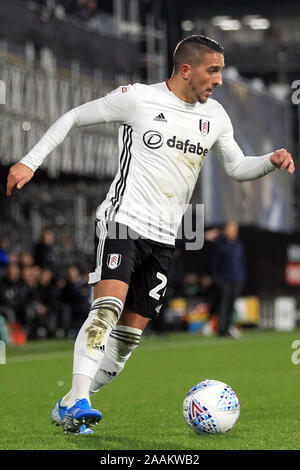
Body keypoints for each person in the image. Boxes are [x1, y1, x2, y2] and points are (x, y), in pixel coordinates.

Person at [6, 35, 295, 434]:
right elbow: (73, 115)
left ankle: (70, 402)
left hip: (163, 239)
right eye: (214, 70)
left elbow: (238, 167)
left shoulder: (216, 116)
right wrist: (29, 161)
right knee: (106, 310)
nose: (220, 80)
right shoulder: (138, 99)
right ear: (186, 69)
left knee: (125, 343)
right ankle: (79, 398)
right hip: (123, 220)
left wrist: (270, 161)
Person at [210, 221, 246, 337]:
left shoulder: (239, 244)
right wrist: (217, 277)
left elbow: (242, 262)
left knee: (231, 305)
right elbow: (214, 262)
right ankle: (222, 329)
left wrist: (242, 276)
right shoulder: (220, 244)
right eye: (232, 229)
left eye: (235, 229)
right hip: (224, 279)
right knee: (224, 304)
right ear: (226, 230)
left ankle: (230, 327)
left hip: (237, 279)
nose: (234, 231)